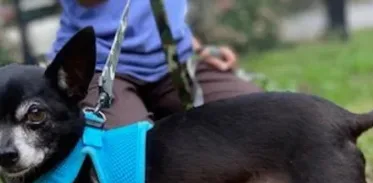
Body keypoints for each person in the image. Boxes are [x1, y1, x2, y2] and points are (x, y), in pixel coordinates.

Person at [49, 0, 261, 127]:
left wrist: (196, 46)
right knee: (131, 156)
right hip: (100, 62)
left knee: (264, 115)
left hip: (171, 59)